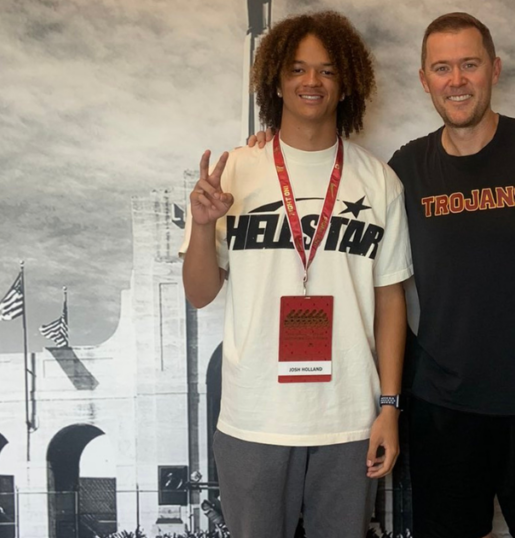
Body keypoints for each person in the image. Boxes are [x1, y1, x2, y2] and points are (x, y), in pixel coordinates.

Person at [251, 11, 515, 538]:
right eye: (441, 68)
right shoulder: (404, 170)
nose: (456, 80)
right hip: (444, 414)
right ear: (424, 80)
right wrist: (270, 147)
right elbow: (346, 253)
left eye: (469, 64)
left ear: (494, 69)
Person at [181, 10, 412, 538]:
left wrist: (389, 408)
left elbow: (391, 299)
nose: (312, 82)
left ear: (346, 82)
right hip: (254, 417)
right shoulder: (236, 170)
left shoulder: (379, 182)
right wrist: (200, 227)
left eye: (327, 71)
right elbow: (199, 294)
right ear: (275, 82)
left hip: (349, 417)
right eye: (297, 69)